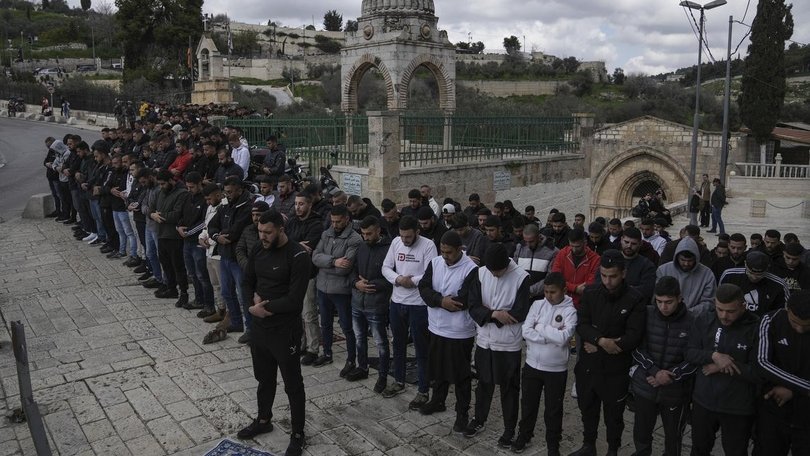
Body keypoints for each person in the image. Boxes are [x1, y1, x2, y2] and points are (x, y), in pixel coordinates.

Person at [237, 210, 311, 456]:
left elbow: (294, 300)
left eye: (268, 232)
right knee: (264, 379)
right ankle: (263, 420)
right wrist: (251, 307)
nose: (263, 236)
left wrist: (263, 308)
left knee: (293, 384)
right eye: (259, 231)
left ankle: (298, 433)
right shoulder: (258, 249)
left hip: (284, 331)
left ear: (281, 229)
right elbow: (246, 281)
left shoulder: (298, 255)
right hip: (260, 330)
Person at [570, 249, 646, 456]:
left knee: (614, 416)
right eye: (604, 275)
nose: (608, 281)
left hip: (615, 371)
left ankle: (613, 448)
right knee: (588, 409)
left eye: (612, 276)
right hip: (588, 366)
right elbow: (582, 325)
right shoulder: (591, 293)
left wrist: (598, 343)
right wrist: (601, 341)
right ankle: (589, 445)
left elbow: (633, 335)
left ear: (623, 273)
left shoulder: (635, 298)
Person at [464, 244, 531, 448]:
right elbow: (473, 305)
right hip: (485, 339)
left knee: (509, 387)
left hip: (508, 343)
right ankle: (479, 419)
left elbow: (519, 311)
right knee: (484, 383)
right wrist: (495, 314)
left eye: (498, 271)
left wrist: (491, 313)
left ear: (506, 265)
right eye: (491, 270)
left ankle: (509, 429)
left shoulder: (521, 277)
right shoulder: (480, 273)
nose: (495, 274)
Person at [685, 283, 760, 456]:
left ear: (743, 306)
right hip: (704, 401)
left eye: (730, 311)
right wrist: (714, 356)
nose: (724, 316)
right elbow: (689, 352)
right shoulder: (704, 319)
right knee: (698, 449)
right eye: (720, 309)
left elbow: (758, 372)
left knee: (736, 451)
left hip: (737, 407)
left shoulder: (756, 327)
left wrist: (723, 367)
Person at [416, 231, 479, 432]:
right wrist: (440, 300)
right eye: (442, 251)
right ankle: (438, 400)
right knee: (437, 368)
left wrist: (443, 301)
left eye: (449, 252)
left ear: (460, 249)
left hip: (459, 331)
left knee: (461, 375)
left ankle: (462, 413)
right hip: (436, 326)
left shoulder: (471, 269)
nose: (445, 256)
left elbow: (466, 299)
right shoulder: (435, 263)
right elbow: (424, 288)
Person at [630, 276, 696, 456]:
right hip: (646, 386)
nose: (663, 307)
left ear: (679, 298)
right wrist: (655, 372)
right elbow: (636, 348)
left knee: (673, 437)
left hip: (676, 392)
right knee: (641, 433)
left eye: (669, 302)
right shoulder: (646, 314)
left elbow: (694, 358)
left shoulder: (693, 321)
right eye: (659, 301)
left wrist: (671, 376)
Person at [513, 272, 577, 455]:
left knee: (553, 409)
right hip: (532, 364)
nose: (549, 296)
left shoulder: (570, 311)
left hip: (556, 369)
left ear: (564, 290)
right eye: (546, 291)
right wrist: (550, 336)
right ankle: (524, 435)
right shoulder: (537, 304)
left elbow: (564, 338)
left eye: (553, 292)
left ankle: (553, 443)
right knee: (528, 404)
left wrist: (539, 328)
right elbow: (526, 331)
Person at [380, 215, 438, 408]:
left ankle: (423, 390)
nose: (405, 240)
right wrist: (398, 279)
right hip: (397, 302)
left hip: (419, 305)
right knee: (398, 344)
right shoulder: (396, 242)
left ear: (417, 232)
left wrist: (411, 281)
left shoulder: (428, 245)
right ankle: (398, 381)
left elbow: (431, 273)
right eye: (402, 236)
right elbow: (386, 267)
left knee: (422, 348)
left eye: (408, 237)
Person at [755, 291, 810, 455]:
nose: (800, 329)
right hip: (774, 409)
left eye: (807, 325)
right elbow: (761, 363)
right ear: (787, 309)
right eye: (794, 322)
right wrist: (804, 388)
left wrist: (793, 391)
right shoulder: (770, 320)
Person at [311, 205, 363, 373]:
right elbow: (314, 257)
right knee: (325, 323)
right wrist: (333, 261)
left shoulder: (355, 239)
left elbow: (344, 269)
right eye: (332, 221)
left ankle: (351, 359)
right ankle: (327, 353)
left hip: (341, 290)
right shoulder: (326, 234)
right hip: (323, 287)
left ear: (346, 219)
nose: (334, 224)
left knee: (346, 326)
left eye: (338, 221)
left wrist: (325, 263)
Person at [348, 216, 393, 389]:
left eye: (369, 234)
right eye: (363, 234)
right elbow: (352, 271)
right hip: (358, 301)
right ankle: (362, 366)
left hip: (376, 303)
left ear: (378, 231)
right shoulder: (361, 247)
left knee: (380, 341)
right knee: (359, 337)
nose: (366, 237)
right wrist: (356, 283)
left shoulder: (388, 250)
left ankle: (383, 375)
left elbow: (390, 278)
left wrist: (372, 285)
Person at [284, 192, 325, 365]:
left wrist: (292, 245)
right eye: (296, 204)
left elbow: (308, 248)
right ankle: (300, 343)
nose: (297, 207)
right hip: (291, 273)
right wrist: (295, 245)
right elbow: (284, 241)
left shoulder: (316, 224)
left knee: (309, 313)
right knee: (295, 313)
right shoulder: (292, 221)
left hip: (308, 274)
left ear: (309, 205)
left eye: (301, 204)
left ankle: (313, 348)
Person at [150, 169, 189, 307]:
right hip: (161, 234)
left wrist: (159, 216)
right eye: (159, 184)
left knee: (178, 266)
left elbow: (177, 214)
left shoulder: (182, 193)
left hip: (174, 236)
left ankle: (184, 293)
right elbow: (151, 208)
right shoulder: (161, 192)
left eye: (163, 184)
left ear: (171, 181)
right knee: (166, 264)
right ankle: (171, 288)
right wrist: (152, 215)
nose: (161, 187)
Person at [177, 172, 215, 314]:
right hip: (186, 241)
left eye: (192, 187)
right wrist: (178, 227)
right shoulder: (187, 197)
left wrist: (189, 232)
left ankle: (209, 304)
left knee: (202, 275)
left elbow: (204, 221)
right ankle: (198, 299)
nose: (189, 190)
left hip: (197, 242)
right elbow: (180, 214)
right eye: (187, 187)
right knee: (192, 274)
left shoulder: (205, 199)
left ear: (199, 184)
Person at [655, 236, 716, 315]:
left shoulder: (707, 274)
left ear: (696, 258)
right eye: (683, 260)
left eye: (690, 260)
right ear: (677, 257)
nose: (686, 264)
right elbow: (658, 296)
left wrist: (689, 313)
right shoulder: (663, 270)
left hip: (696, 319)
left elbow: (709, 302)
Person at [719, 251, 790, 318]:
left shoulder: (779, 285)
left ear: (767, 269)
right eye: (750, 273)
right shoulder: (729, 275)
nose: (754, 277)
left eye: (759, 275)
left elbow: (783, 313)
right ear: (745, 264)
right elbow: (719, 301)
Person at [551, 228, 600, 310]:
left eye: (577, 246)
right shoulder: (562, 253)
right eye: (572, 246)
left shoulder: (595, 259)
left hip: (583, 303)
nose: (574, 249)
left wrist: (566, 286)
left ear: (585, 242)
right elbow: (555, 279)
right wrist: (575, 288)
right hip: (561, 302)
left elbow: (591, 284)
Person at [513, 223, 558, 298]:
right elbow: (514, 270)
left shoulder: (552, 251)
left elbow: (550, 277)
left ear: (538, 237)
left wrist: (530, 291)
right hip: (520, 294)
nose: (528, 245)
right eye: (526, 241)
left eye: (531, 241)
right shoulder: (520, 247)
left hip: (542, 296)